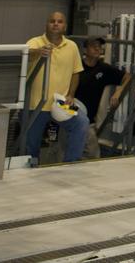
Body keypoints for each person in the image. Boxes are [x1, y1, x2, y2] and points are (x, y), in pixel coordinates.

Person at [24, 11, 90, 164]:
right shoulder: (34, 42)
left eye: (59, 21)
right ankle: (30, 167)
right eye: (52, 21)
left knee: (81, 122)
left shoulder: (72, 46)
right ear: (46, 24)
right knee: (31, 144)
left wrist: (71, 95)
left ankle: (71, 163)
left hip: (60, 103)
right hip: (35, 104)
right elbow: (26, 54)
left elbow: (76, 73)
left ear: (65, 26)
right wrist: (38, 52)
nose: (55, 24)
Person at [75, 37, 130, 126]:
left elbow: (128, 77)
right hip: (71, 114)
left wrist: (118, 91)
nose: (97, 49)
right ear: (85, 50)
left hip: (88, 121)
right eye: (93, 46)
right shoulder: (76, 66)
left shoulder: (104, 69)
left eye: (99, 47)